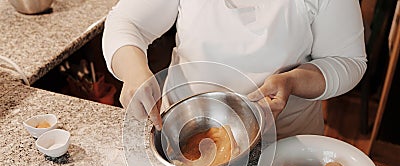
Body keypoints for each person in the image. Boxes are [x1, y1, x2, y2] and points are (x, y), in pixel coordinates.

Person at [102, 0, 366, 139]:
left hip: (284, 146)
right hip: (183, 131)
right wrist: (134, 73)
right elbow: (127, 22)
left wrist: (294, 81)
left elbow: (347, 60)